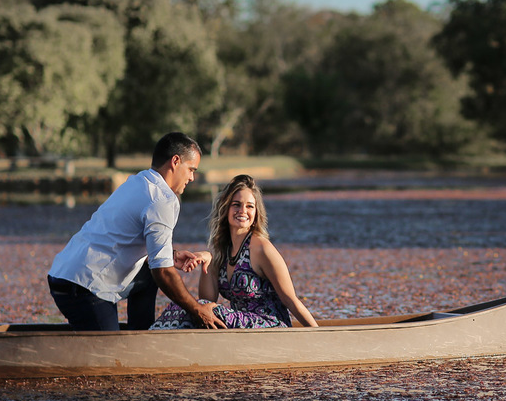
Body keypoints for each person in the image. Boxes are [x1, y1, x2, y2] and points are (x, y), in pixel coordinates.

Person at [47, 132, 226, 331]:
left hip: (60, 275)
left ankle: (141, 332)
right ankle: (137, 343)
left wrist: (170, 255)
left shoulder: (138, 182)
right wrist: (197, 310)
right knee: (112, 358)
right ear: (175, 161)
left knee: (148, 274)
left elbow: (128, 240)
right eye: (191, 169)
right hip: (84, 288)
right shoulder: (163, 200)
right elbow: (164, 273)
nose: (192, 177)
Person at [151, 174, 318, 329]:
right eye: (236, 205)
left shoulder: (262, 248)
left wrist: (318, 335)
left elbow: (291, 300)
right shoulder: (221, 250)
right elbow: (206, 302)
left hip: (271, 326)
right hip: (240, 328)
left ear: (256, 213)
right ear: (226, 209)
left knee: (211, 311)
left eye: (250, 206)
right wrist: (208, 260)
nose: (243, 211)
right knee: (185, 306)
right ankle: (151, 342)